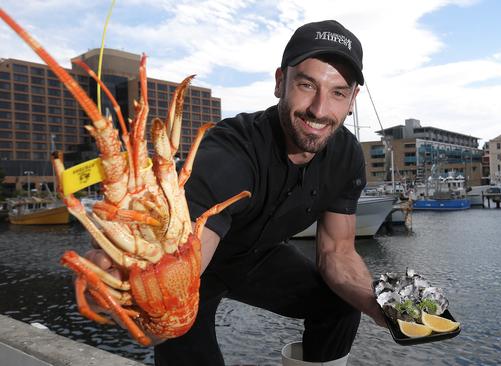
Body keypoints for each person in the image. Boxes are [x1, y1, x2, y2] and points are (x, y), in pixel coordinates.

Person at [90, 19, 385, 365]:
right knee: (184, 343)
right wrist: (145, 297)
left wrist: (377, 304)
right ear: (280, 82)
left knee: (341, 304)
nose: (319, 109)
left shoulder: (347, 155)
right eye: (307, 85)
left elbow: (337, 251)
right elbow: (195, 249)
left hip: (259, 257)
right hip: (196, 267)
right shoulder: (230, 152)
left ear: (353, 99)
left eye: (338, 92)